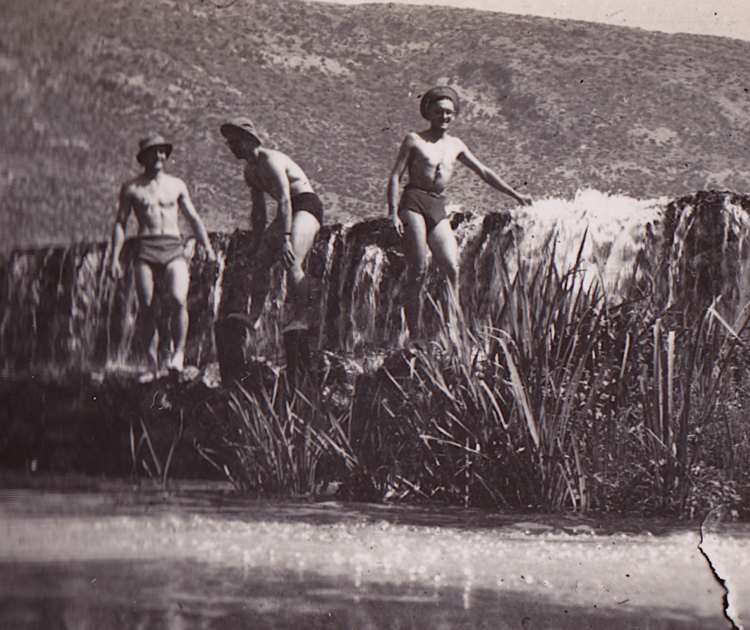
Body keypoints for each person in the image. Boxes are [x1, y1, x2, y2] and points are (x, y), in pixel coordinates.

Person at [387, 85, 533, 339]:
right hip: (413, 202)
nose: (444, 117)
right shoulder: (414, 139)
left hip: (437, 205)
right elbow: (395, 176)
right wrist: (391, 212)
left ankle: (450, 330)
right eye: (439, 111)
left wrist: (516, 195)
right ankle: (415, 335)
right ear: (428, 113)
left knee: (451, 267)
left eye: (449, 113)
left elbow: (484, 172)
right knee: (418, 270)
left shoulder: (456, 145)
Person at [109, 134, 216, 379]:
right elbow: (120, 223)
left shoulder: (177, 185)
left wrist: (208, 248)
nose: (159, 156)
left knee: (178, 299)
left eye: (162, 151)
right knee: (147, 307)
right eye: (153, 152)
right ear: (143, 157)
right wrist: (114, 258)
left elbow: (193, 218)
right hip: (145, 250)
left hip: (172, 247)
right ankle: (151, 361)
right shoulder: (132, 188)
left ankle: (178, 354)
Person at [220, 117, 323, 333]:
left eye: (235, 142)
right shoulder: (249, 172)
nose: (232, 148)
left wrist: (285, 238)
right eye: (229, 143)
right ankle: (254, 317)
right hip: (287, 210)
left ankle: (301, 319)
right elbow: (258, 210)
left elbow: (284, 199)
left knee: (292, 260)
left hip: (305, 204)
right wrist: (256, 240)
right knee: (260, 262)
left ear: (249, 140)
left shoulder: (271, 160)